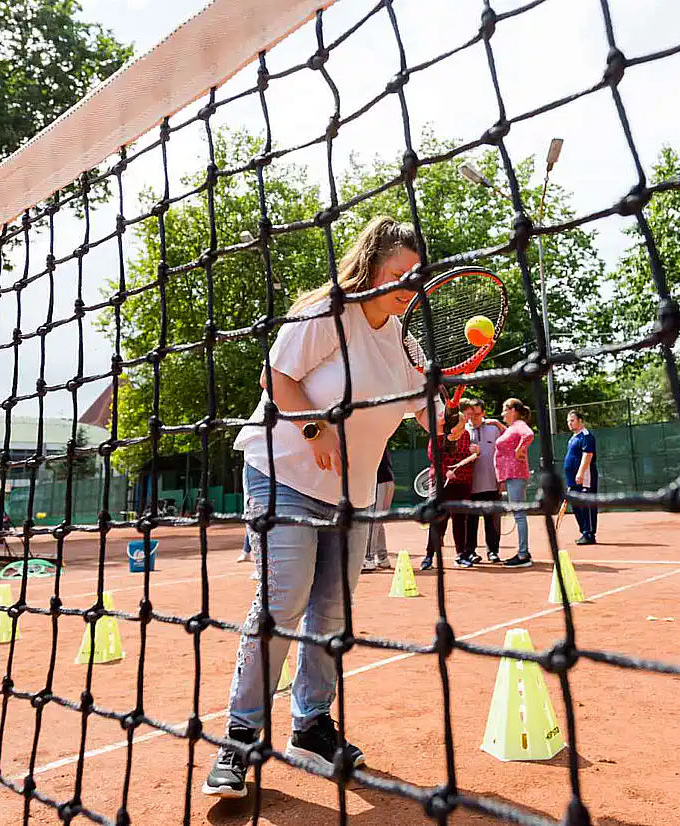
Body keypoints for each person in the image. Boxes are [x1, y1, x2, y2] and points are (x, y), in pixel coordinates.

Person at [203, 216, 431, 799]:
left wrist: (445, 407)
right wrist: (314, 428)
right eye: (396, 271)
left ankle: (310, 724)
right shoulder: (330, 310)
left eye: (414, 274)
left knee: (331, 612)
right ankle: (240, 737)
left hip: (351, 495)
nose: (406, 283)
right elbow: (274, 377)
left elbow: (420, 413)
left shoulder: (405, 340)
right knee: (284, 598)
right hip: (283, 472)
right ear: (371, 266)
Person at [422, 408, 478, 570]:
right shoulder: (438, 436)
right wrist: (445, 470)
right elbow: (433, 456)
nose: (463, 426)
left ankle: (461, 555)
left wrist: (476, 453)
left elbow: (469, 458)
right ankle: (428, 557)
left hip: (463, 482)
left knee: (460, 519)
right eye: (460, 424)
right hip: (441, 483)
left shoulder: (466, 436)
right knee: (438, 520)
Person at [460, 398, 504, 563]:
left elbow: (506, 448)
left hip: (492, 483)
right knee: (470, 522)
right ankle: (470, 552)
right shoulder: (462, 430)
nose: (474, 418)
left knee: (492, 521)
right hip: (469, 485)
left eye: (477, 414)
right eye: (472, 415)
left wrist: (502, 479)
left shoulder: (494, 430)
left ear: (484, 413)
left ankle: (493, 551)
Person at [494, 398, 534, 567]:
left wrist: (520, 449)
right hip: (512, 476)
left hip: (516, 475)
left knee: (519, 514)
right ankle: (524, 552)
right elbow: (512, 435)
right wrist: (496, 424)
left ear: (512, 410)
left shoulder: (519, 425)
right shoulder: (512, 427)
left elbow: (528, 434)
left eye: (504, 410)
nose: (502, 413)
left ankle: (523, 555)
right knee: (518, 514)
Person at [563, 410, 597, 545]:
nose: (569, 424)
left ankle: (589, 533)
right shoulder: (573, 438)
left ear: (580, 420)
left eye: (572, 420)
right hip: (572, 480)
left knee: (586, 504)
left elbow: (587, 455)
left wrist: (581, 473)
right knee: (576, 505)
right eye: (568, 421)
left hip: (584, 478)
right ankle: (584, 531)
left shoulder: (586, 436)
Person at [362, 448, 395, 572]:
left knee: (372, 520)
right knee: (377, 521)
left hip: (379, 481)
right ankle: (383, 557)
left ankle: (368, 558)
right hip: (386, 480)